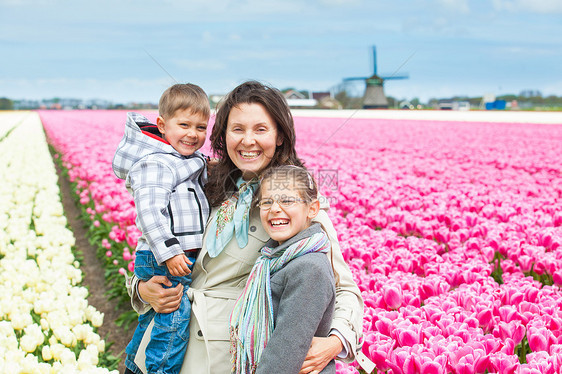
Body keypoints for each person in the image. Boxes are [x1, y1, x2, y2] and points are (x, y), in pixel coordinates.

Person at [126, 80, 373, 374]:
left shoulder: (290, 201)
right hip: (162, 345)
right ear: (224, 134)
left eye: (260, 129)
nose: (248, 141)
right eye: (238, 129)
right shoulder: (200, 180)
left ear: (279, 136)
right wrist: (142, 289)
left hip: (221, 354)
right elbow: (154, 247)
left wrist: (335, 342)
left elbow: (341, 286)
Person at [113, 83, 211, 374]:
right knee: (173, 322)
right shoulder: (156, 163)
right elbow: (149, 212)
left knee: (155, 320)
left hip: (170, 253)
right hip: (165, 255)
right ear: (161, 124)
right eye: (184, 124)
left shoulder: (180, 160)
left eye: (201, 127)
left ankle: (134, 364)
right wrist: (168, 251)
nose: (193, 134)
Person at [230, 165, 337, 374]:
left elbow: (285, 352)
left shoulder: (309, 268)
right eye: (267, 202)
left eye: (287, 201)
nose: (275, 209)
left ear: (312, 209)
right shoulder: (273, 258)